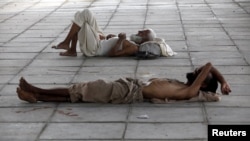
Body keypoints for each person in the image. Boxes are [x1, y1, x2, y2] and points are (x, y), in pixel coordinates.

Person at [17, 62, 231, 104]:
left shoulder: (190, 92)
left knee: (82, 89)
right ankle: (37, 96)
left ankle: (36, 90)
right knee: (80, 94)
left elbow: (209, 65)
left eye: (200, 74)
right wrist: (223, 82)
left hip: (127, 92)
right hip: (129, 85)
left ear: (202, 84)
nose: (197, 71)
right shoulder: (186, 87)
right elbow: (208, 68)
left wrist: (220, 82)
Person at [52, 9, 156, 57]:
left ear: (144, 40)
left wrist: (119, 40)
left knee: (84, 15)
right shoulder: (130, 41)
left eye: (143, 33)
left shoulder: (134, 48)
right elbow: (111, 44)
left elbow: (112, 54)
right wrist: (108, 37)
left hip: (94, 49)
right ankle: (72, 50)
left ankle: (67, 43)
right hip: (99, 41)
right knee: (79, 14)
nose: (139, 31)